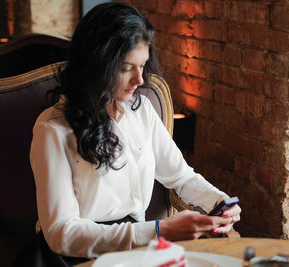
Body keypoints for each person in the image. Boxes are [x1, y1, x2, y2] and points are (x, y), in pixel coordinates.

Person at [29, 2, 241, 265]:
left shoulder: (142, 112)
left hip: (136, 252)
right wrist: (158, 231)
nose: (139, 80)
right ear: (96, 64)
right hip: (75, 258)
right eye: (126, 67)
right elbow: (62, 233)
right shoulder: (52, 129)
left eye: (142, 66)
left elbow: (181, 176)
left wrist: (219, 201)